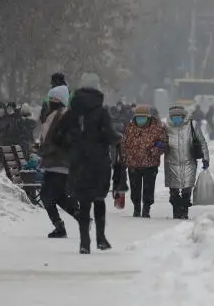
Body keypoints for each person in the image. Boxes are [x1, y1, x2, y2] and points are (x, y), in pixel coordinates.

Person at [53, 73, 120, 254]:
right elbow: (109, 135)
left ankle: (84, 242)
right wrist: (116, 139)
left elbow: (57, 136)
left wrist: (71, 148)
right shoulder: (101, 112)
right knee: (98, 199)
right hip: (98, 162)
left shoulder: (72, 112)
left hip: (78, 162)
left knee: (83, 202)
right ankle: (101, 238)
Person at [37, 85, 79, 239]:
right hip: (64, 162)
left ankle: (60, 226)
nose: (50, 101)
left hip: (56, 161)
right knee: (58, 195)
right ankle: (78, 217)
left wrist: (43, 148)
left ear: (59, 100)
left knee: (46, 195)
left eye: (52, 99)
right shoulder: (68, 115)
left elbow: (46, 136)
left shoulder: (56, 115)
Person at [163, 105, 209, 219]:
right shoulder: (165, 127)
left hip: (189, 162)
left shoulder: (192, 125)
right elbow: (159, 140)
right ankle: (176, 211)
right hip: (171, 163)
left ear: (183, 116)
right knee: (173, 191)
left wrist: (206, 158)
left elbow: (202, 142)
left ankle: (184, 212)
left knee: (186, 189)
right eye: (174, 117)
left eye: (178, 116)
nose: (176, 119)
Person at [120, 104, 166, 218]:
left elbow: (164, 144)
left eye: (143, 117)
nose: (140, 120)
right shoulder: (130, 128)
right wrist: (124, 160)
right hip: (133, 164)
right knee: (135, 188)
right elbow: (124, 145)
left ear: (148, 117)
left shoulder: (157, 128)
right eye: (138, 117)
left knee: (148, 188)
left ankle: (146, 209)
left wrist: (155, 150)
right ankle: (136, 208)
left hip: (150, 164)